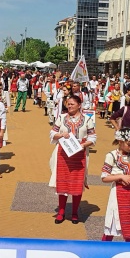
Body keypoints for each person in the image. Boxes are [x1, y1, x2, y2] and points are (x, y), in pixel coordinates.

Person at [49, 95, 96, 224]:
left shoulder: (87, 120)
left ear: (79, 105)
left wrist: (83, 145)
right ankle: (61, 211)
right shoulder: (61, 117)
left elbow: (93, 137)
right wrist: (61, 135)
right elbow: (52, 133)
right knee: (62, 182)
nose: (69, 106)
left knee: (77, 182)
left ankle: (75, 212)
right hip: (63, 154)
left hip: (79, 155)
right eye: (68, 104)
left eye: (72, 104)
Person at [101, 128, 130, 242]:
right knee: (113, 223)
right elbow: (104, 177)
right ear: (120, 141)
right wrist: (121, 177)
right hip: (118, 193)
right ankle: (103, 248)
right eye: (129, 144)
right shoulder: (112, 156)